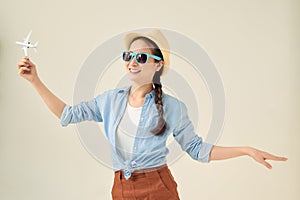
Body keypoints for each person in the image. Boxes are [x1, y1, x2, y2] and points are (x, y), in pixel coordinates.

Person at [17, 29, 288, 200]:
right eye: (128, 56)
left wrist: (247, 150)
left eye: (141, 57)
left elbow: (196, 149)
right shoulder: (109, 101)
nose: (132, 62)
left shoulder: (172, 107)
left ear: (158, 65)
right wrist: (35, 81)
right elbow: (67, 114)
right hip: (120, 189)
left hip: (158, 188)